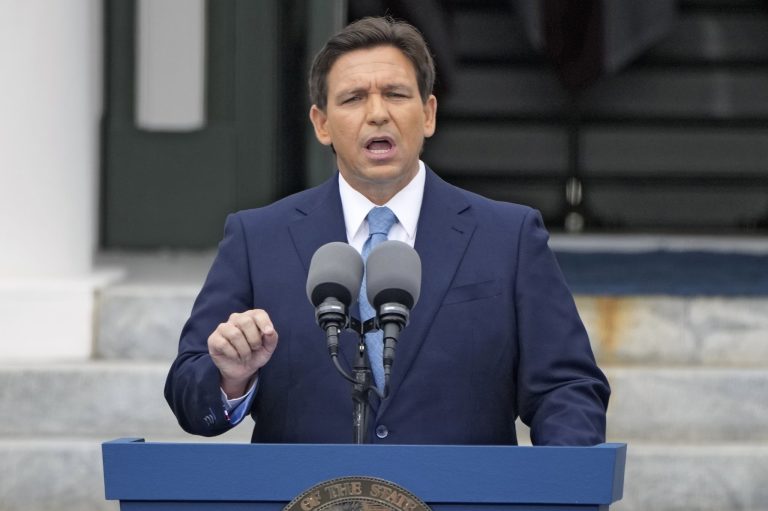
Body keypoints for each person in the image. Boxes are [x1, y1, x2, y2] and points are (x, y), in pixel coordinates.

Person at [165, 16, 610, 445]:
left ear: (429, 114)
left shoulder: (509, 237)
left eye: (396, 94)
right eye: (354, 98)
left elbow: (567, 388)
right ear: (321, 124)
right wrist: (231, 376)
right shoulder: (257, 239)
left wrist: (560, 483)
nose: (377, 114)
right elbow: (188, 393)